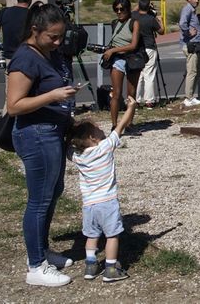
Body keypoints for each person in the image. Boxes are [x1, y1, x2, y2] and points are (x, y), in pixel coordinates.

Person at [6, 2, 76, 287]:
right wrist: (53, 96)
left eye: (61, 37)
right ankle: (36, 265)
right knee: (39, 200)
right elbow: (14, 106)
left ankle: (42, 250)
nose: (58, 42)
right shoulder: (25, 58)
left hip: (51, 132)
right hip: (36, 134)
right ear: (35, 30)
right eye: (53, 37)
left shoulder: (46, 52)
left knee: (52, 193)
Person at [66, 95, 138, 283]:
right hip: (107, 202)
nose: (102, 130)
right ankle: (111, 268)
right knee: (112, 236)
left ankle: (91, 266)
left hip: (89, 204)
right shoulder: (105, 147)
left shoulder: (78, 157)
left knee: (91, 235)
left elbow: (68, 148)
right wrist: (130, 107)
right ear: (92, 137)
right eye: (99, 129)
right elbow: (120, 126)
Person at [100, 0, 143, 128]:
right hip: (117, 60)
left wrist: (113, 50)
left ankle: (129, 123)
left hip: (131, 60)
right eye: (116, 9)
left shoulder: (134, 22)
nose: (119, 12)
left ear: (128, 9)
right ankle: (114, 125)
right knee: (116, 94)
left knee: (131, 94)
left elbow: (133, 45)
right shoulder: (114, 23)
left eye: (122, 9)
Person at [133, 0, 164, 108]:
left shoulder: (134, 16)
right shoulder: (151, 19)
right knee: (149, 74)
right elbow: (161, 31)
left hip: (137, 47)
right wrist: (160, 19)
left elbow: (133, 10)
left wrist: (141, 5)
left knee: (139, 74)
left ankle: (136, 99)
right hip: (149, 47)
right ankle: (149, 100)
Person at [179, 0, 200, 106]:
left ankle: (191, 96)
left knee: (198, 71)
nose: (197, 1)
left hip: (196, 45)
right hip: (190, 45)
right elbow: (182, 23)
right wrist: (189, 33)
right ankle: (188, 98)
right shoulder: (187, 9)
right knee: (192, 71)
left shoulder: (193, 11)